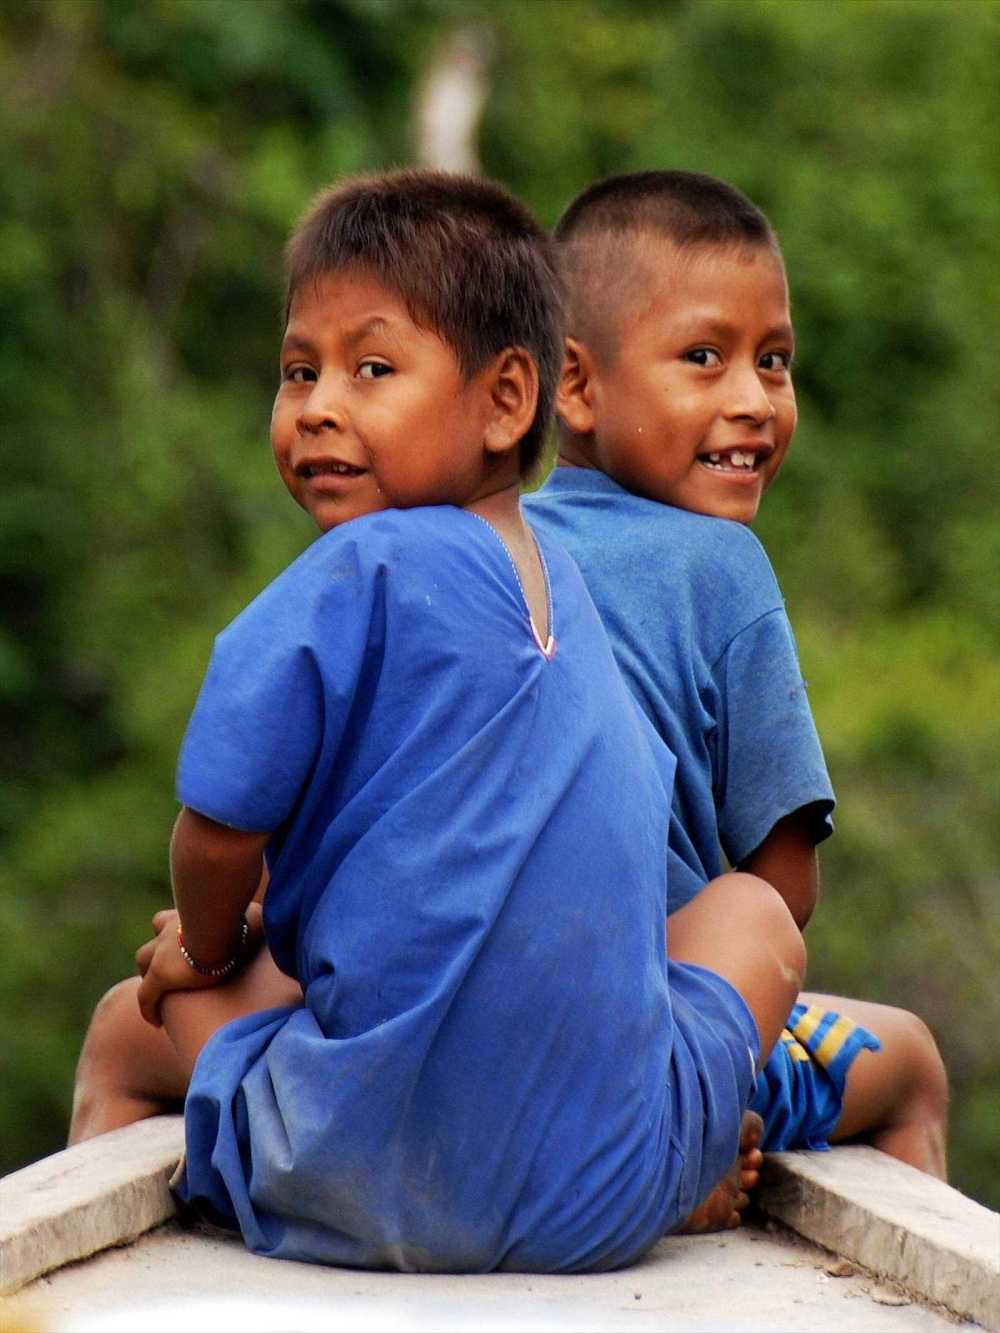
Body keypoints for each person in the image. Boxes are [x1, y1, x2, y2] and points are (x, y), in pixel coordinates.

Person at [69, 169, 805, 1271]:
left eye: (371, 369)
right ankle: (686, 1152)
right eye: (298, 371)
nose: (320, 405)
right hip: (603, 1191)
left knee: (149, 998)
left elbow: (216, 835)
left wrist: (207, 950)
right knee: (751, 915)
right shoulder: (571, 584)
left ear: (509, 400)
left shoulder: (354, 570)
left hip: (355, 1174)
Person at [524, 170, 948, 1176]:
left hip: (464, 1017)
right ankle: (692, 1134)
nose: (754, 401)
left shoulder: (471, 543)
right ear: (575, 386)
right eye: (704, 358)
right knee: (917, 1063)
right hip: (641, 1042)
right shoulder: (722, 570)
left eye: (775, 361)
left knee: (125, 1038)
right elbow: (785, 885)